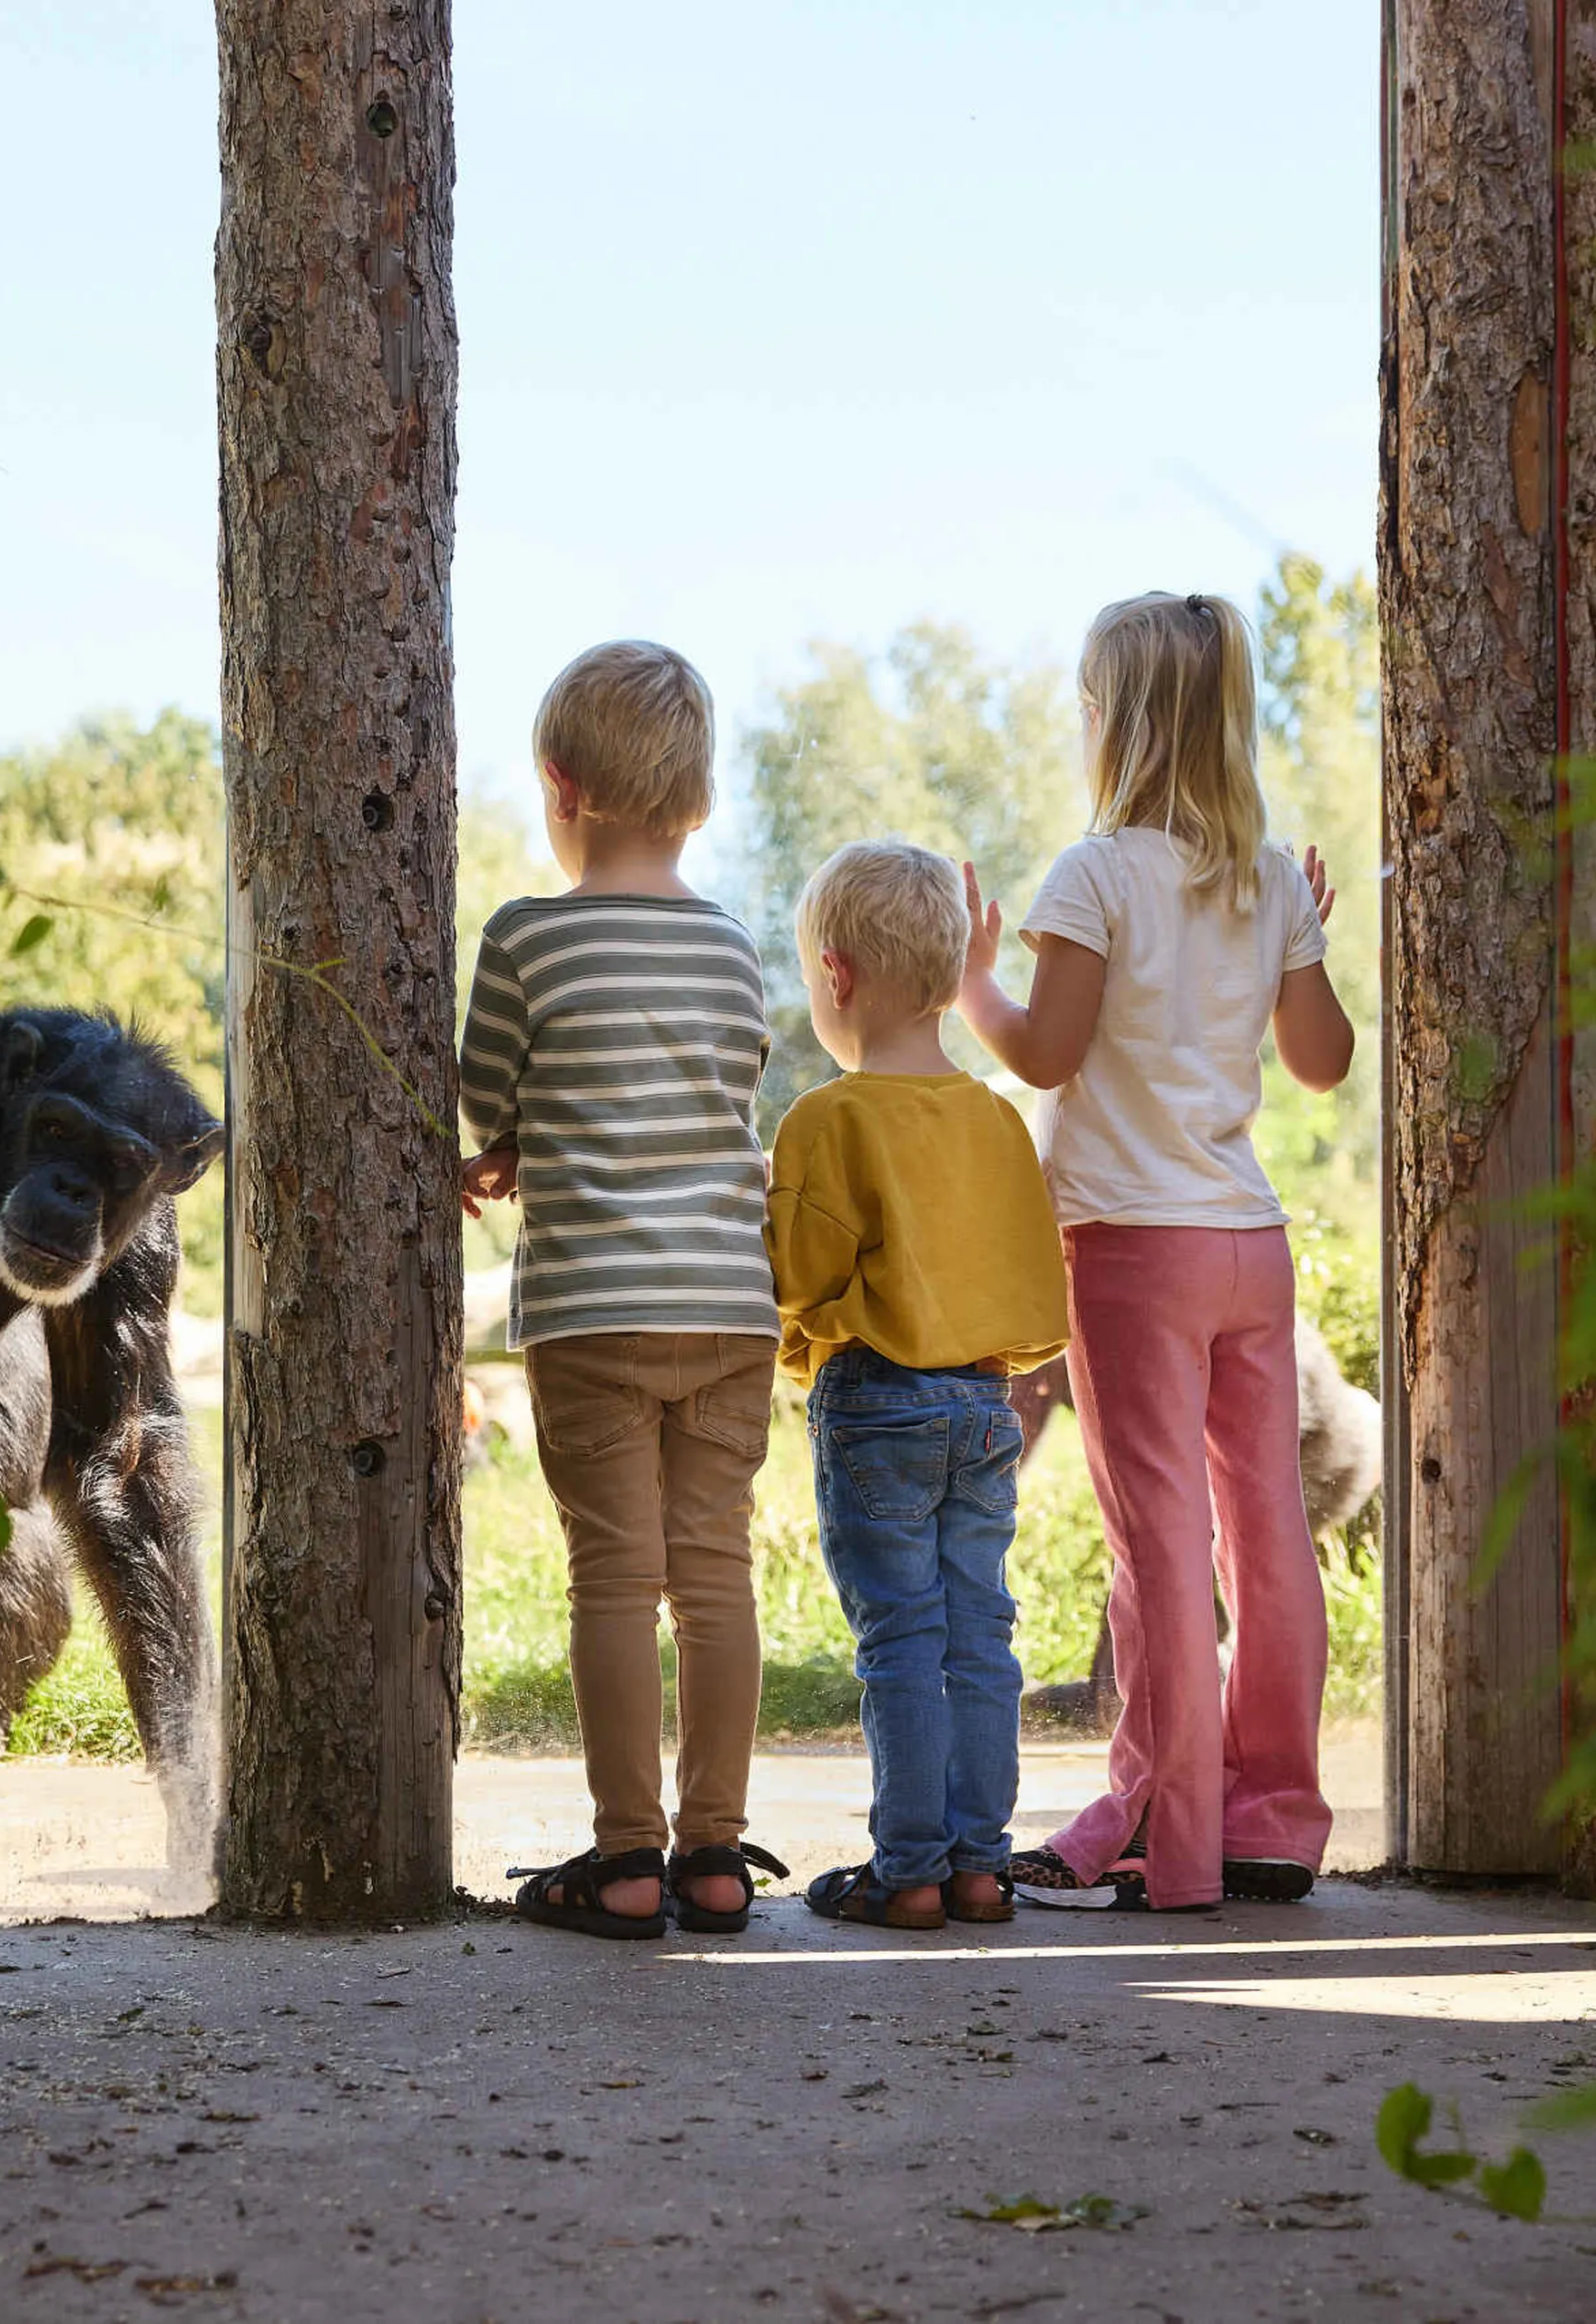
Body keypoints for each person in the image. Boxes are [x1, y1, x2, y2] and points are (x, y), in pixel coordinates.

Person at [957, 591, 1356, 1913]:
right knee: (1269, 1532)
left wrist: (973, 985)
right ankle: (1274, 1820)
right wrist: (1308, 937)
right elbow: (1322, 1060)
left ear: (1112, 723)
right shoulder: (1267, 880)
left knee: (1162, 1544)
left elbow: (1045, 1053)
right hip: (1252, 1246)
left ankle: (1170, 1841)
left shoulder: (1096, 874)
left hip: (1133, 1247)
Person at [457, 640, 790, 1939]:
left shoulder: (528, 937)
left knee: (611, 1576)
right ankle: (715, 1854)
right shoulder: (733, 947)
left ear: (560, 783)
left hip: (594, 1305)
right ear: (698, 797)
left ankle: (626, 1857)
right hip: (727, 1304)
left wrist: (509, 1142)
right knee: (714, 1576)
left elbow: (489, 1092)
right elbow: (718, 1101)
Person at [766, 840, 1070, 1929]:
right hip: (984, 1409)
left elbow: (797, 1282)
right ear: (951, 975)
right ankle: (980, 1864)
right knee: (981, 1632)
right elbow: (1031, 1286)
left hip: (874, 1403)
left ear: (836, 975)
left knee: (899, 1640)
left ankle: (908, 1873)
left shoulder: (826, 1120)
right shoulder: (995, 1119)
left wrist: (808, 1351)